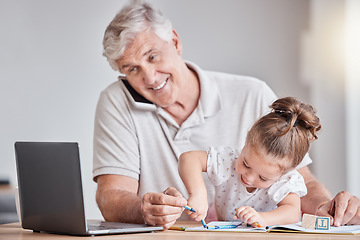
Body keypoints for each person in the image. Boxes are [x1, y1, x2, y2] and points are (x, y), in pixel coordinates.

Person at [93, 0, 360, 229]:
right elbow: (111, 195)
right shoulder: (116, 101)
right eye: (132, 69)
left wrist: (328, 208)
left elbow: (300, 181)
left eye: (152, 57)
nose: (149, 78)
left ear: (174, 41)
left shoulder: (251, 93)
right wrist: (144, 209)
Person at [179, 97, 320, 227]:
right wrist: (198, 194)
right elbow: (189, 159)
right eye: (246, 164)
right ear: (246, 140)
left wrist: (262, 218)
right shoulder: (227, 160)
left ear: (287, 170)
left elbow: (292, 213)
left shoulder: (286, 179)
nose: (249, 177)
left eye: (263, 178)